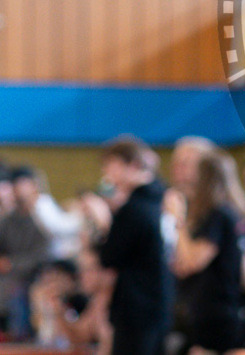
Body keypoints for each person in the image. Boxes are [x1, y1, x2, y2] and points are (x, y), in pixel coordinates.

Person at [166, 150, 245, 353]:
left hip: (217, 311)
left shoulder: (219, 214)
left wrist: (178, 220)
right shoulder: (227, 213)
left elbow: (194, 261)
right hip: (215, 308)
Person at [97, 137, 173, 355]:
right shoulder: (161, 197)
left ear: (131, 164)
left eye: (110, 165)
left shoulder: (134, 208)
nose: (106, 174)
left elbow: (109, 257)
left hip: (137, 307)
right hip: (160, 302)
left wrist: (104, 221)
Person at [0, 164, 51, 337]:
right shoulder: (5, 220)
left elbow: (44, 255)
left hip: (34, 276)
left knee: (18, 290)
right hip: (3, 278)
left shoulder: (44, 215)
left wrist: (11, 264)